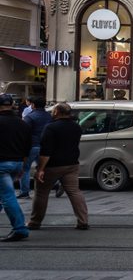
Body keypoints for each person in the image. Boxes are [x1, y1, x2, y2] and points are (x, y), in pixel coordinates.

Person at [27, 102, 88, 231]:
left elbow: (45, 151)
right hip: (72, 164)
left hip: (53, 165)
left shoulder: (51, 128)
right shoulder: (76, 127)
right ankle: (83, 221)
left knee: (41, 193)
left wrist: (40, 169)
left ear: (56, 112)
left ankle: (35, 222)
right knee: (74, 191)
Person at [0, 93, 31, 241]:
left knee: (7, 196)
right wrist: (22, 166)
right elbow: (27, 148)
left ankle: (19, 228)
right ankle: (19, 228)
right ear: (12, 105)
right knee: (3, 195)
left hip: (1, 164)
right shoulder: (22, 123)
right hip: (16, 162)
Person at [18, 96, 51, 198]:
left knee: (25, 168)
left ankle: (25, 191)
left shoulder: (30, 117)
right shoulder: (49, 116)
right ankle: (57, 183)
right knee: (43, 167)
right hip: (45, 146)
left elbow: (24, 132)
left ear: (33, 105)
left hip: (32, 145)